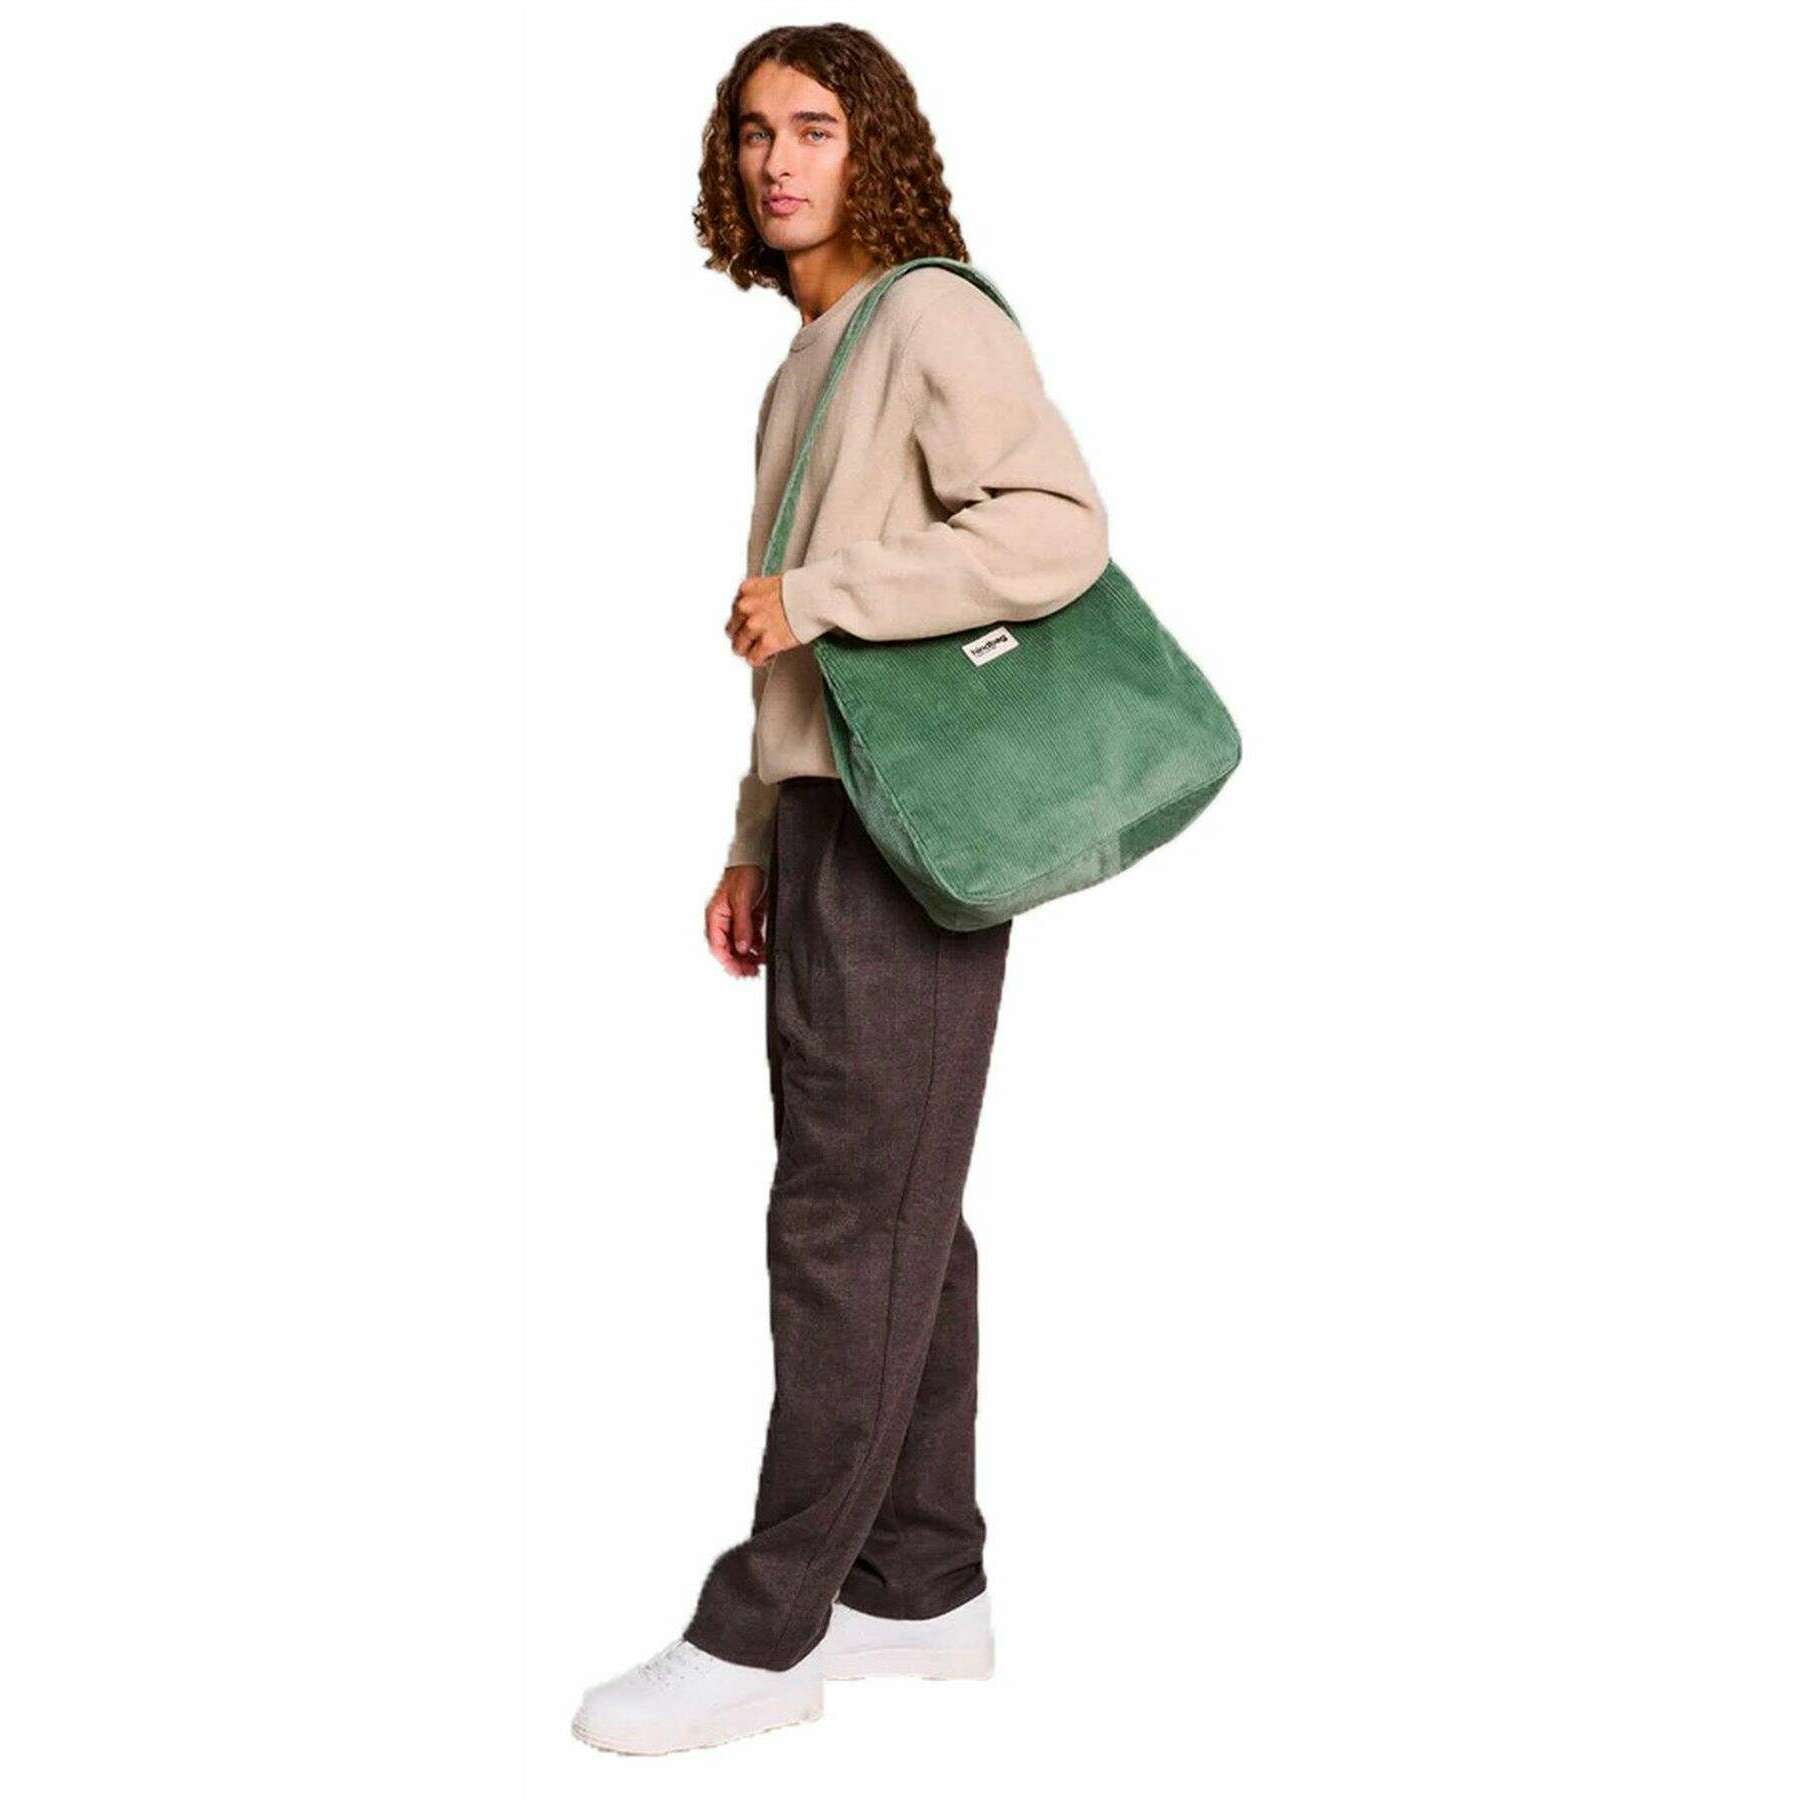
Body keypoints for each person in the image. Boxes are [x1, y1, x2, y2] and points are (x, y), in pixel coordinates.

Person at [573, 24, 1109, 1756]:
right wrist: (754, 832)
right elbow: (790, 651)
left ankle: (765, 1631)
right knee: (892, 1209)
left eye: (813, 129)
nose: (777, 162)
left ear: (874, 148)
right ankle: (919, 1585)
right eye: (752, 135)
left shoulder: (932, 318)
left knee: (845, 1221)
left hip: (908, 825)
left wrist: (825, 591)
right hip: (825, 822)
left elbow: (1057, 526)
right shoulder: (808, 355)